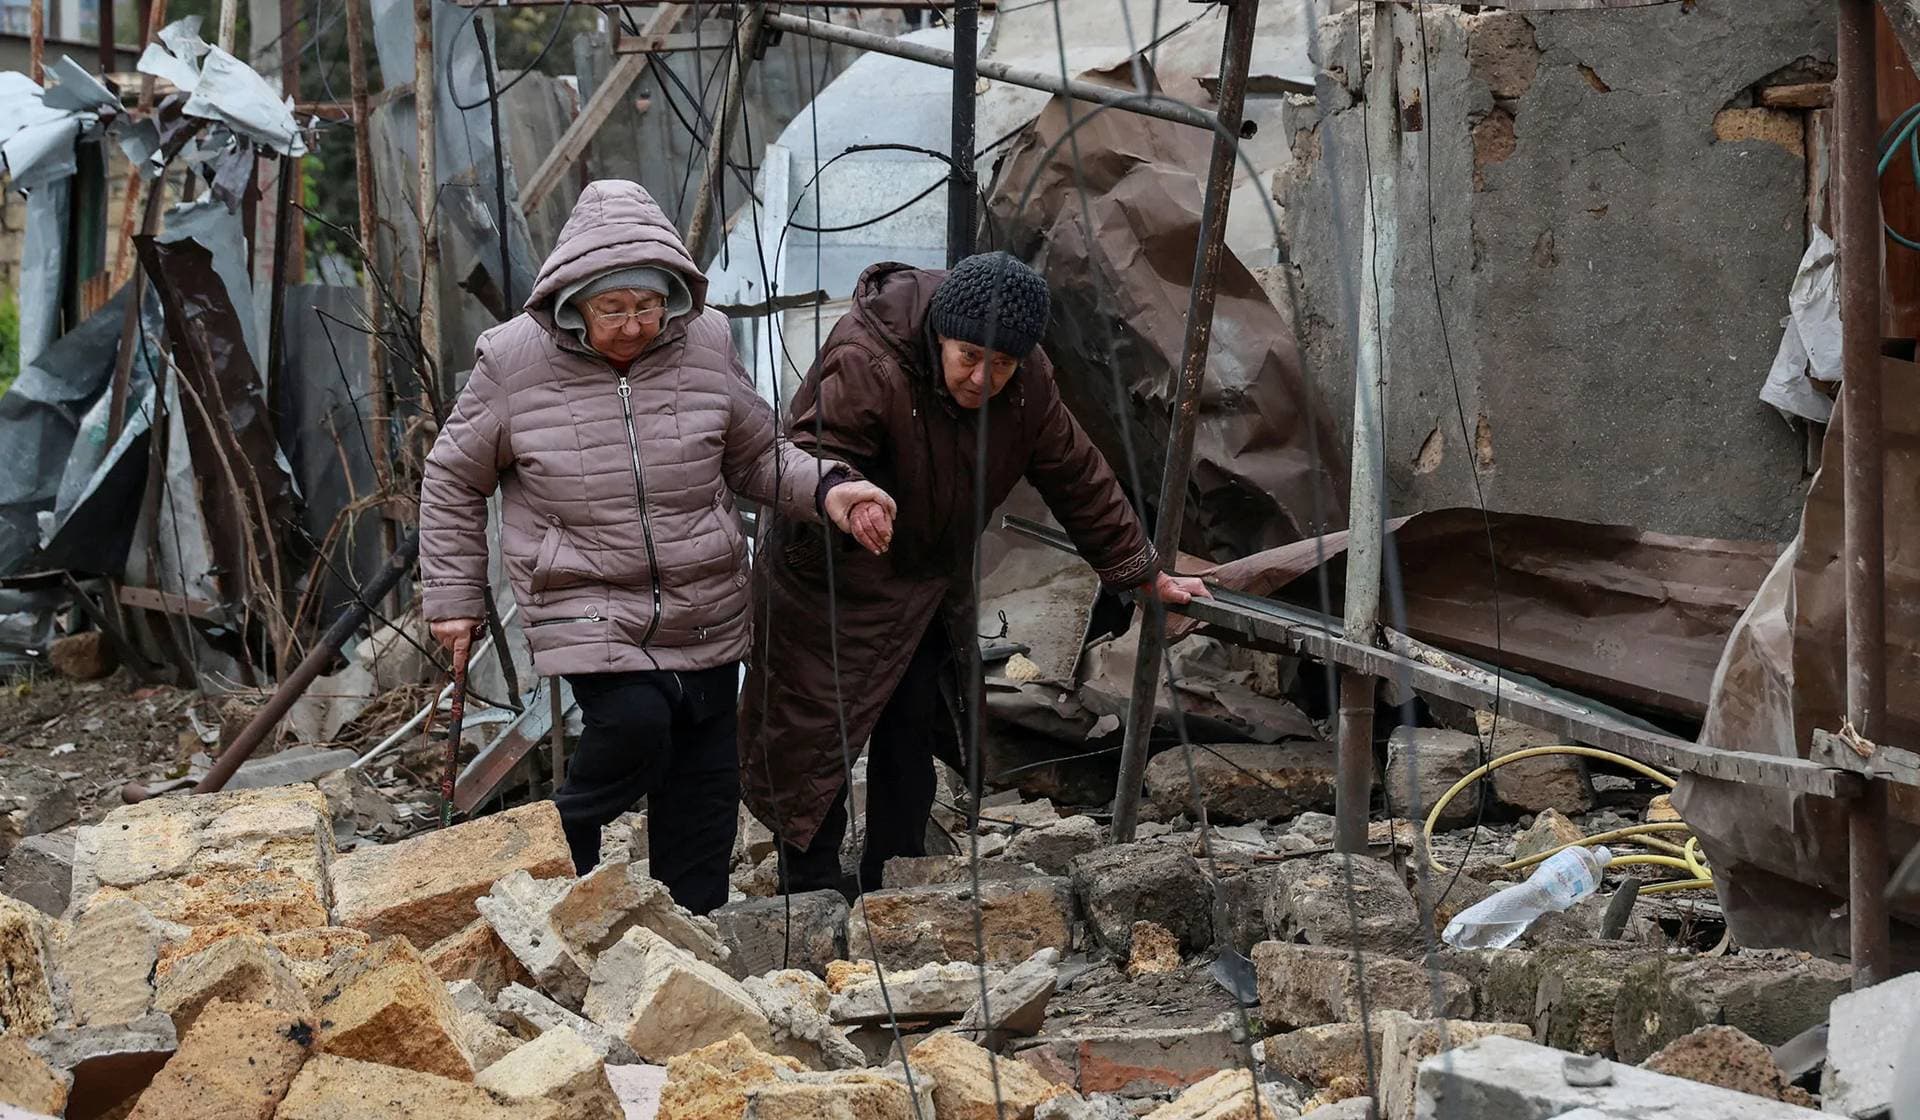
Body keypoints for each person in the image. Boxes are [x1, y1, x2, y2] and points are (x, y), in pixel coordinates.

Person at [418, 180, 895, 914]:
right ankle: (551, 859)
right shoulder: (513, 360)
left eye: (649, 305)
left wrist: (834, 490)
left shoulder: (703, 341)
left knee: (706, 776)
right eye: (615, 308)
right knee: (637, 723)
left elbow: (758, 455)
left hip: (703, 598)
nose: (636, 324)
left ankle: (695, 930)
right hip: (582, 597)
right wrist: (454, 599)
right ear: (573, 300)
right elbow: (453, 476)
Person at [739, 251, 1206, 896]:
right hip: (829, 570)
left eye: (1003, 364)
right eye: (969, 358)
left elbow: (1077, 475)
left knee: (912, 724)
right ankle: (811, 889)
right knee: (810, 734)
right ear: (940, 335)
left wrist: (1140, 570)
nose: (984, 377)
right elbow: (811, 452)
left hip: (928, 580)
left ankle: (895, 886)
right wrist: (848, 496)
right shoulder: (868, 357)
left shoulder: (1028, 385)